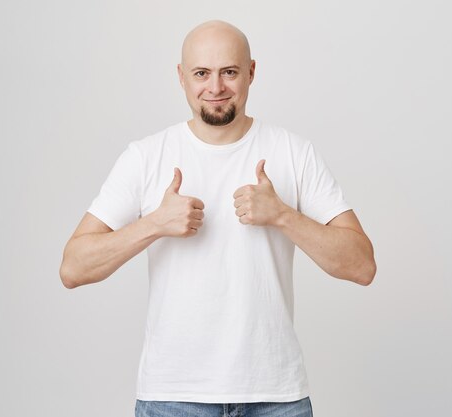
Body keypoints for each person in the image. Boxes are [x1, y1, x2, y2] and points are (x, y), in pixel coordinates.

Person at [60, 20, 376, 417]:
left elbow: (362, 266)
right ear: (181, 77)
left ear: (251, 73)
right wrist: (154, 224)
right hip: (173, 397)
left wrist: (282, 215)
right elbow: (73, 267)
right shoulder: (146, 156)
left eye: (229, 72)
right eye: (201, 74)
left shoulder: (293, 152)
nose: (215, 87)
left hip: (276, 398)